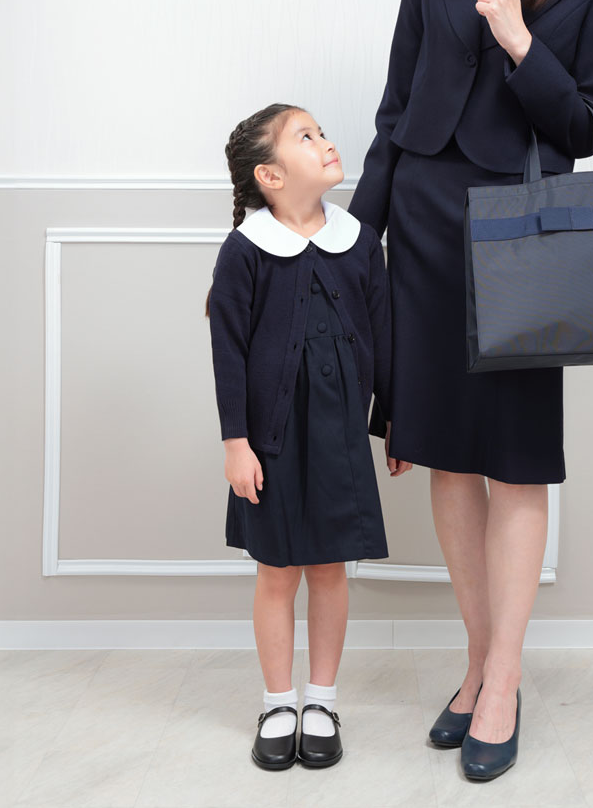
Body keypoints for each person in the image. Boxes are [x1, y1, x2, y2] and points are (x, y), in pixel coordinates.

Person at [349, 0, 593, 781]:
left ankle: (503, 678)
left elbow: (584, 125)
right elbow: (394, 105)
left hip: (522, 232)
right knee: (444, 455)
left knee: (513, 456)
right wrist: (360, 240)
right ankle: (474, 662)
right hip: (423, 221)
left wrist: (518, 39)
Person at [207, 103, 411, 772]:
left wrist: (394, 422)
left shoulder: (358, 242)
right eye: (307, 136)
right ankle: (277, 701)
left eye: (321, 132)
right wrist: (236, 443)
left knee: (330, 569)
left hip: (340, 437)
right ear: (269, 174)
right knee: (277, 573)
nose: (326, 142)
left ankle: (321, 699)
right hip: (268, 443)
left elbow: (384, 339)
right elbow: (228, 350)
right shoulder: (245, 252)